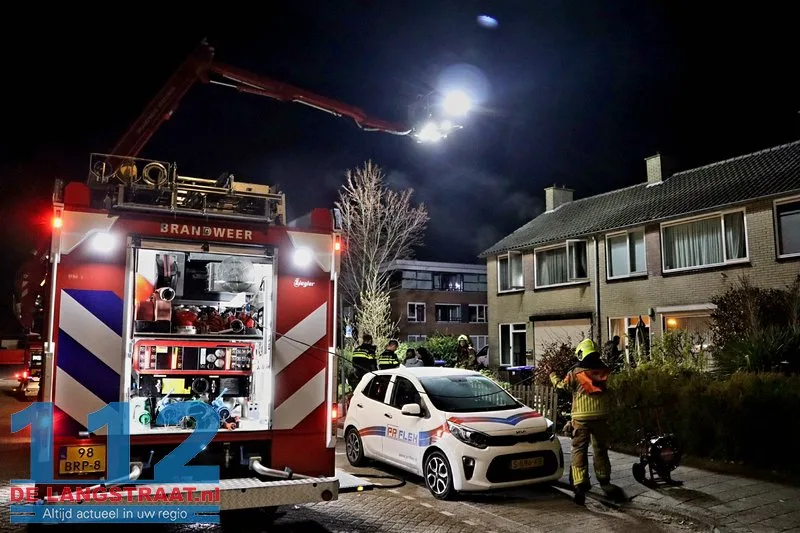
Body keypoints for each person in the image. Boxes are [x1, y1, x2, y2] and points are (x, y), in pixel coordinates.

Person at [550, 338, 613, 505]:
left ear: (581, 353)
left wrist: (553, 376)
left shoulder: (575, 373)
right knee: (601, 449)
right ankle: (604, 480)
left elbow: (562, 387)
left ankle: (579, 485)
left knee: (579, 450)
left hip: (581, 418)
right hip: (602, 416)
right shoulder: (606, 371)